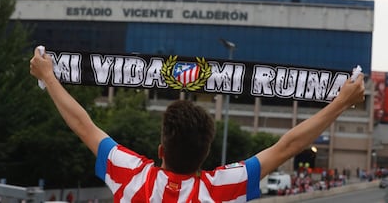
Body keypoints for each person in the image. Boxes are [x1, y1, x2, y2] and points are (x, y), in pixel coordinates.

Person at [29, 47, 365, 202]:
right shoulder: (218, 189)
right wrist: (340, 103)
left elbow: (83, 124)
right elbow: (288, 146)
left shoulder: (132, 175)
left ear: (161, 149)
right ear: (205, 156)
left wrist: (48, 77)